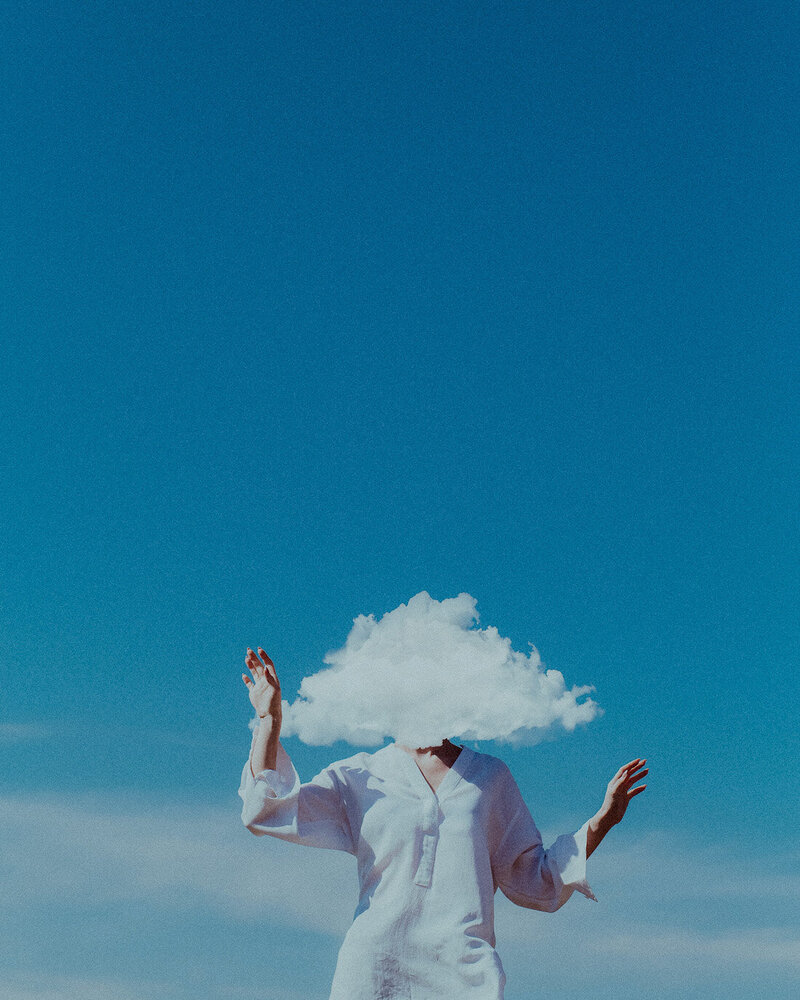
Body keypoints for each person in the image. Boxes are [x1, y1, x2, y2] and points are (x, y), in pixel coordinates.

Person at [239, 647, 647, 1000]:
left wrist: (603, 820)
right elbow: (268, 810)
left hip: (463, 973)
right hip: (373, 972)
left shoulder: (490, 777)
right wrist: (269, 721)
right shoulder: (361, 775)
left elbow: (532, 879)